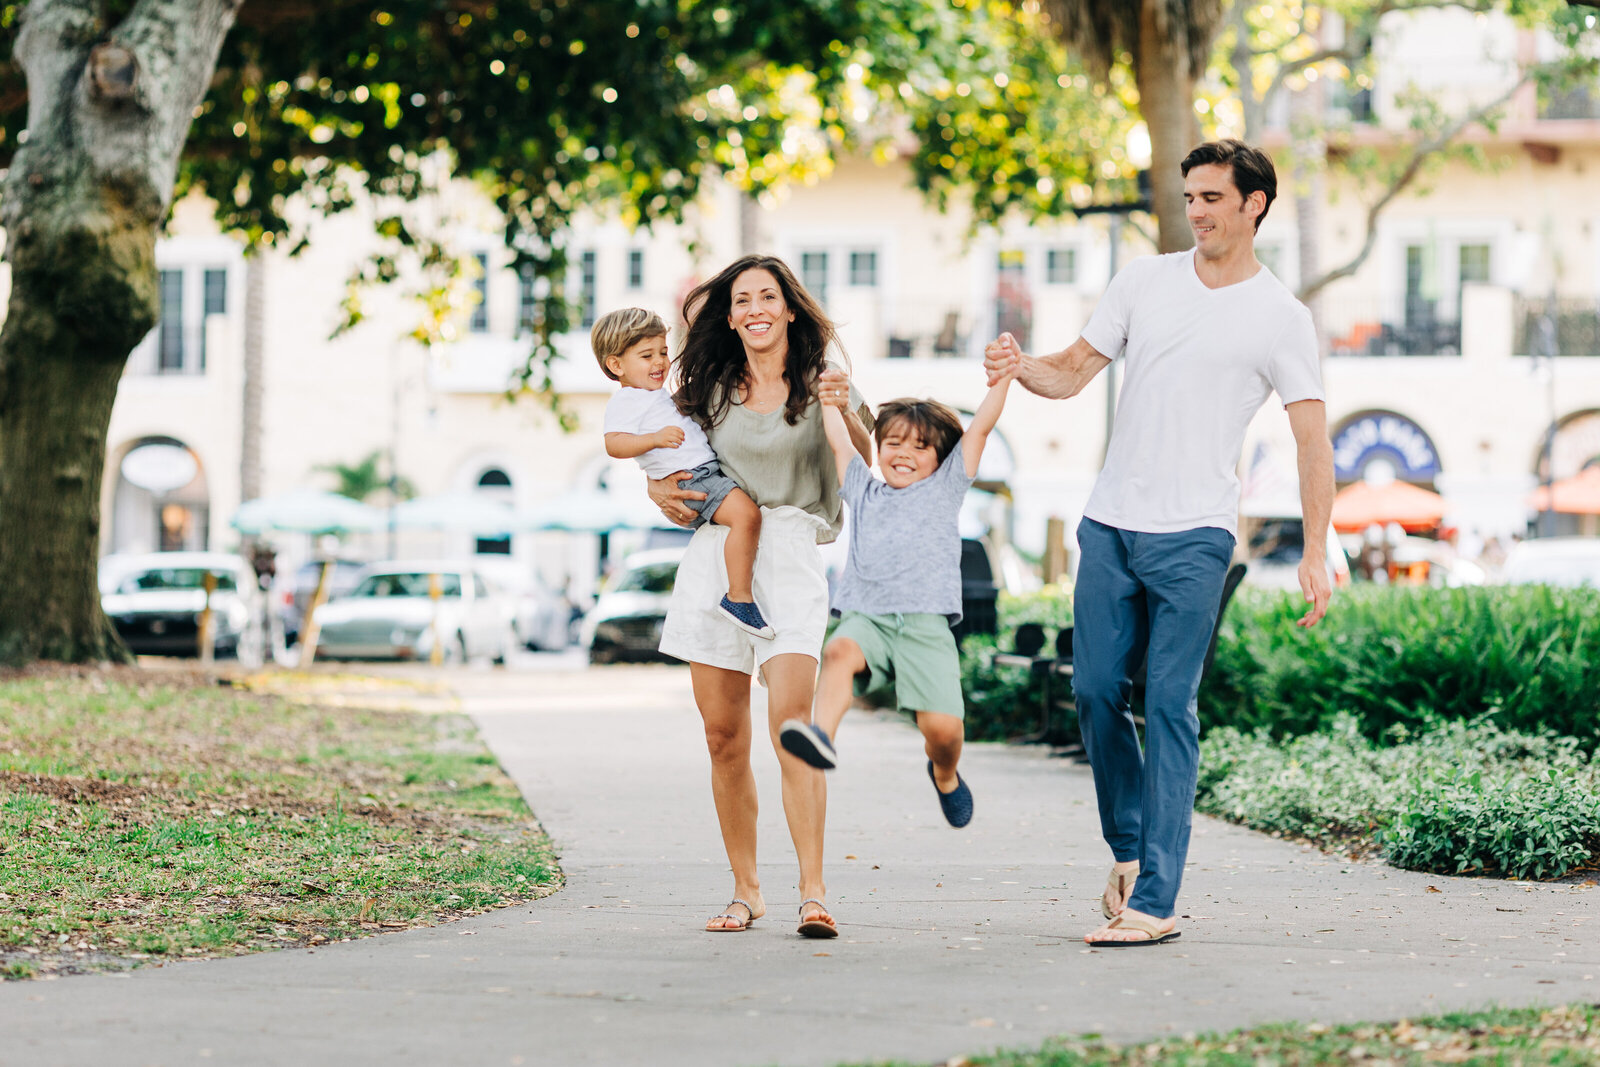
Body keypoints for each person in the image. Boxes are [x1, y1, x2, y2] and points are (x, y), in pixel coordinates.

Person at [985, 139, 1335, 947]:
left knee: (1170, 702)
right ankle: (1131, 848)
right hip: (1111, 523)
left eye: (1214, 196)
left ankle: (1156, 900)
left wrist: (1316, 548)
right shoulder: (1143, 281)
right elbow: (1072, 372)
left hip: (1198, 537)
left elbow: (1313, 442)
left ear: (1255, 204)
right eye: (1191, 197)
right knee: (1097, 690)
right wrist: (1017, 364)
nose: (1200, 211)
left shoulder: (1282, 316)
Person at [648, 254, 875, 938]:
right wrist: (658, 490)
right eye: (741, 299)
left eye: (766, 296)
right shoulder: (706, 389)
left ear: (789, 307)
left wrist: (847, 408)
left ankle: (814, 891)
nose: (754, 309)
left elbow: (871, 459)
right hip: (717, 557)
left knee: (790, 730)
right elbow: (670, 468)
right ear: (729, 314)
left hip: (793, 554)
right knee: (723, 738)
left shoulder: (822, 380)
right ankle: (747, 890)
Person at [777, 374, 1015, 830]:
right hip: (868, 618)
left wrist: (1003, 379)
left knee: (942, 734)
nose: (903, 454)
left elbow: (981, 427)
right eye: (893, 443)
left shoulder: (946, 487)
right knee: (839, 651)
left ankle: (944, 774)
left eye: (920, 446)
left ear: (940, 459)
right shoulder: (863, 490)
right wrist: (831, 401)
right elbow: (840, 444)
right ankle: (821, 736)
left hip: (925, 627)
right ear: (879, 447)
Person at [596, 308, 773, 637]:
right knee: (747, 518)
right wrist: (653, 440)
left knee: (743, 520)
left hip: (702, 472)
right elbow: (614, 444)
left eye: (663, 352)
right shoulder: (627, 401)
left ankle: (739, 589)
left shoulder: (654, 396)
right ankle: (739, 597)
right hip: (695, 479)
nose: (659, 362)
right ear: (616, 365)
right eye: (646, 355)